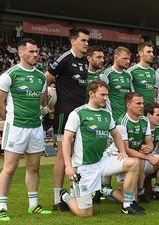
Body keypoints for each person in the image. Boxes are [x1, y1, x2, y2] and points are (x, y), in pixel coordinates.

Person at [60, 80, 143, 216]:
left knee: (132, 163)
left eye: (107, 95)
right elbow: (66, 139)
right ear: (91, 94)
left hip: (102, 161)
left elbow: (116, 135)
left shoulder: (106, 114)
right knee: (85, 213)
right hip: (84, 166)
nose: (106, 98)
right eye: (102, 95)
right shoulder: (78, 113)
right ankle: (65, 196)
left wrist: (122, 151)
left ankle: (127, 204)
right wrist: (68, 165)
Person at [0, 38, 51, 222]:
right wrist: (9, 120)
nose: (36, 55)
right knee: (9, 168)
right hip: (16, 127)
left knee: (34, 168)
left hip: (35, 128)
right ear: (21, 53)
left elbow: (42, 101)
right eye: (32, 52)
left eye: (37, 51)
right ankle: (2, 207)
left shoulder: (41, 76)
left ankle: (33, 205)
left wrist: (44, 109)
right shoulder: (9, 75)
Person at [45, 27, 90, 211]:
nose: (86, 43)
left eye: (88, 41)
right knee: (62, 157)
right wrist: (45, 105)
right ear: (73, 41)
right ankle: (57, 200)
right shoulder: (64, 59)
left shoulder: (85, 61)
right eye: (83, 40)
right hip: (64, 114)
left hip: (81, 115)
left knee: (78, 155)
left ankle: (76, 193)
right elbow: (45, 80)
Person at [116, 92, 159, 203]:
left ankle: (151, 191)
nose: (142, 106)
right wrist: (149, 157)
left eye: (142, 103)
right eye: (138, 103)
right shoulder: (122, 122)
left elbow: (150, 143)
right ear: (128, 105)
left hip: (138, 158)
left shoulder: (144, 121)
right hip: (120, 159)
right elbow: (126, 150)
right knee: (131, 200)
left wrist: (148, 148)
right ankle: (108, 191)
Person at [100, 46, 132, 120]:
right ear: (116, 57)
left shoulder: (128, 75)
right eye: (125, 58)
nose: (128, 61)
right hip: (112, 116)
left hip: (126, 117)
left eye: (129, 59)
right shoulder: (106, 73)